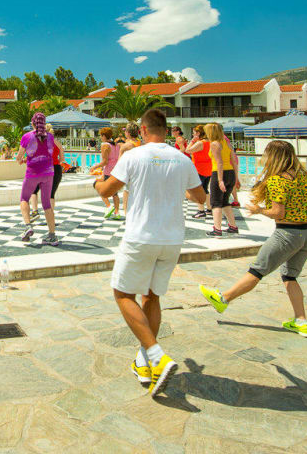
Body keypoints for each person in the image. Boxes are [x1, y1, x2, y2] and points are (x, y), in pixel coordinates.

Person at [93, 108, 207, 397]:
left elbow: (108, 191)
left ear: (143, 130)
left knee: (122, 294)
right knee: (151, 296)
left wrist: (95, 183)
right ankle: (145, 363)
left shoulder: (134, 156)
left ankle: (157, 355)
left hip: (141, 237)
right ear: (166, 130)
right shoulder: (182, 159)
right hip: (172, 239)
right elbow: (200, 197)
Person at [199, 140, 307, 338]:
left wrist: (259, 210)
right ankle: (301, 321)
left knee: (257, 270)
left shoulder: (277, 180)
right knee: (290, 277)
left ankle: (224, 298)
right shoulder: (304, 177)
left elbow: (279, 213)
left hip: (287, 233)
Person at [19, 112, 60, 245]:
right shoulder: (50, 137)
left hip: (32, 173)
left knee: (24, 198)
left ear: (32, 123)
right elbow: (45, 152)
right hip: (48, 173)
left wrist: (22, 160)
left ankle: (28, 226)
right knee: (47, 203)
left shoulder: (27, 137)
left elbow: (19, 156)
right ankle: (52, 235)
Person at [204, 122, 241, 236]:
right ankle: (233, 226)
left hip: (219, 173)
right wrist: (236, 177)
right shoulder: (226, 142)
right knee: (225, 201)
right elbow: (234, 160)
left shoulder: (214, 144)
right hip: (230, 172)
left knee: (215, 202)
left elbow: (219, 162)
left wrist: (220, 180)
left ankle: (217, 229)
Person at [29, 124, 64, 218]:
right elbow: (62, 159)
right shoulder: (57, 143)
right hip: (56, 168)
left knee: (34, 190)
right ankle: (50, 216)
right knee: (51, 194)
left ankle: (35, 211)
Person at [186, 125, 213, 219]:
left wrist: (193, 141)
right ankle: (209, 209)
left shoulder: (200, 143)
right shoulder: (210, 142)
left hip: (199, 169)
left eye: (194, 132)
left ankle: (201, 210)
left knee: (198, 190)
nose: (193, 134)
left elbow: (188, 150)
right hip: (208, 168)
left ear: (198, 133)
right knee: (205, 189)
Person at [97, 127, 122, 219]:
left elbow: (105, 162)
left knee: (99, 188)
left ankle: (109, 206)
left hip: (108, 172)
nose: (100, 137)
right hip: (116, 171)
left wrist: (94, 167)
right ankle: (117, 212)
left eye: (101, 135)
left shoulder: (105, 145)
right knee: (115, 193)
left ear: (104, 136)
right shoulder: (117, 145)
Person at [118, 123, 142, 219]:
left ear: (128, 133)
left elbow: (120, 162)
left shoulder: (126, 146)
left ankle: (126, 213)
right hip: (140, 171)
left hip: (130, 172)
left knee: (127, 192)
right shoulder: (140, 143)